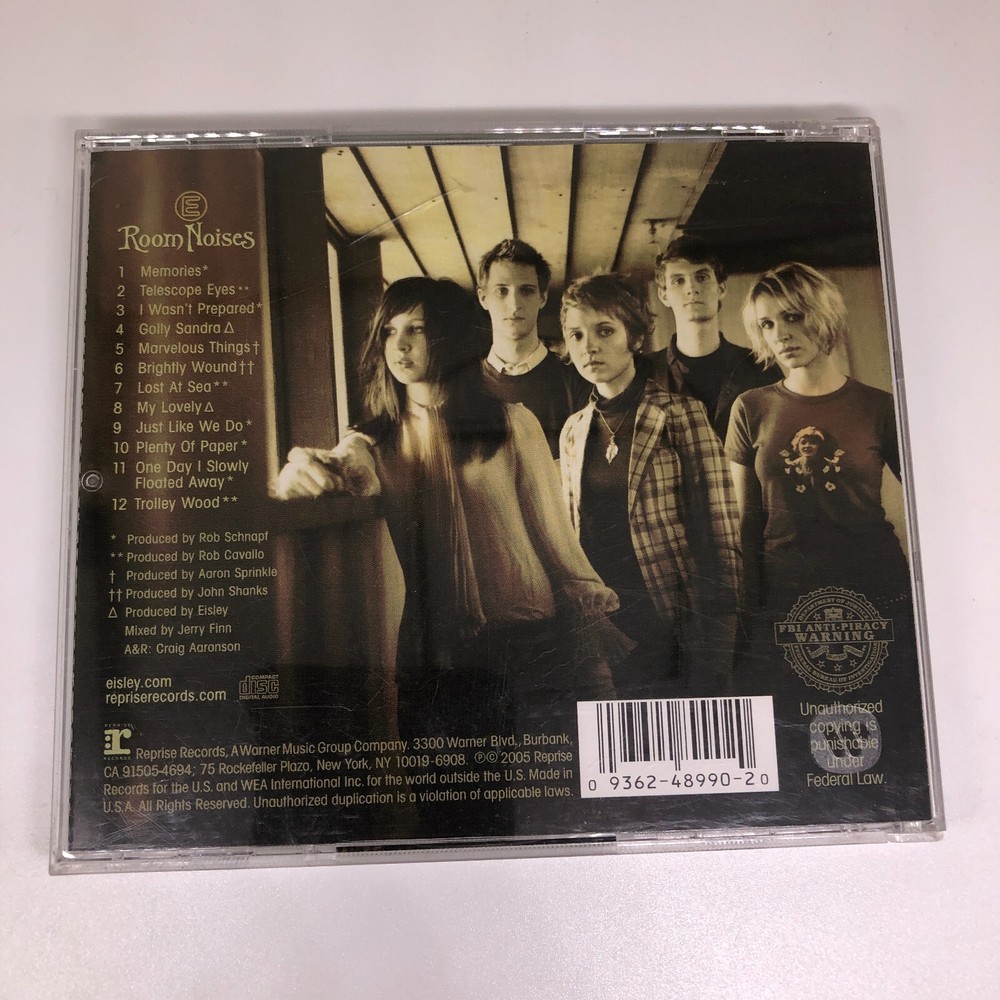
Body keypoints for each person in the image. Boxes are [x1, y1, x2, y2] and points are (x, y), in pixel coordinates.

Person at [273, 276, 626, 734]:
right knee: (445, 775)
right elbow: (341, 467)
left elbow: (556, 540)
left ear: (449, 335)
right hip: (436, 651)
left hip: (532, 638)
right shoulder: (373, 441)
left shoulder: (512, 423)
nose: (400, 345)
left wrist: (594, 664)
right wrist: (300, 475)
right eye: (389, 331)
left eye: (416, 329)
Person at [558, 273, 741, 694]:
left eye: (605, 331)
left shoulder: (680, 414)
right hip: (606, 623)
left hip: (674, 616)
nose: (588, 346)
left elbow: (721, 531)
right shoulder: (573, 430)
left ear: (636, 337)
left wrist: (720, 637)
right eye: (576, 335)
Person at [725, 262, 910, 615]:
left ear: (824, 316)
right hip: (787, 591)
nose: (780, 334)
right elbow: (747, 521)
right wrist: (750, 605)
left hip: (875, 584)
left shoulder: (880, 406)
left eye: (792, 317)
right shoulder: (750, 408)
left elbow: (928, 505)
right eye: (767, 324)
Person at [650, 235, 779, 440]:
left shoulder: (760, 368)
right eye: (678, 281)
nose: (692, 289)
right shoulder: (646, 373)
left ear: (721, 289)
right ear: (664, 295)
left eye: (701, 277)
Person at [477, 238, 589, 457]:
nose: (514, 304)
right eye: (502, 291)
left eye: (526, 290)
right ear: (483, 298)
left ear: (543, 298)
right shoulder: (464, 384)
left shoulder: (577, 381)